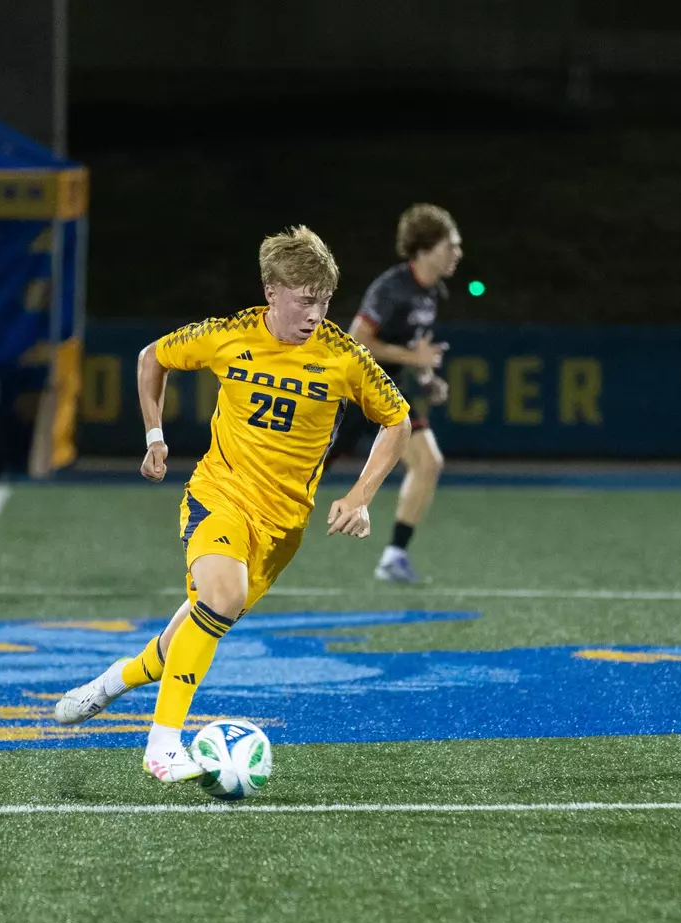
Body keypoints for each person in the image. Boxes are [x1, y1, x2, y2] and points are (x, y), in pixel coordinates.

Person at [53, 226, 412, 782]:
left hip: (282, 527)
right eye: (303, 300)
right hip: (218, 494)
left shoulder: (344, 357)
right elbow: (153, 358)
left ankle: (111, 683)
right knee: (223, 596)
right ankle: (162, 746)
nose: (315, 313)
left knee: (187, 637)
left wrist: (362, 496)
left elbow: (398, 420)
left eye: (323, 300)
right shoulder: (229, 335)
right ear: (272, 292)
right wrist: (154, 435)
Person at [349, 204, 463, 583]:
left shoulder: (433, 293)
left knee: (428, 462)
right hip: (356, 387)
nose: (457, 254)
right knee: (305, 472)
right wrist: (414, 357)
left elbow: (416, 346)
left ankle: (394, 556)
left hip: (391, 392)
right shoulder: (392, 287)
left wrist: (427, 376)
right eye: (451, 246)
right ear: (426, 248)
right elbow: (357, 340)